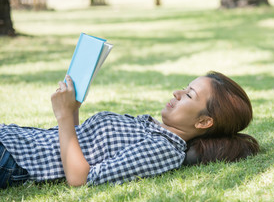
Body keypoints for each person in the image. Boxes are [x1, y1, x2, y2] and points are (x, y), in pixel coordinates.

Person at [0, 71, 259, 189]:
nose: (176, 93)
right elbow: (83, 147)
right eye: (184, 87)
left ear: (203, 122)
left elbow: (80, 178)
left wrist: (64, 116)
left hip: (14, 159)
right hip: (16, 139)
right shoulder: (153, 128)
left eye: (189, 95)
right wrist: (74, 109)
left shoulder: (163, 150)